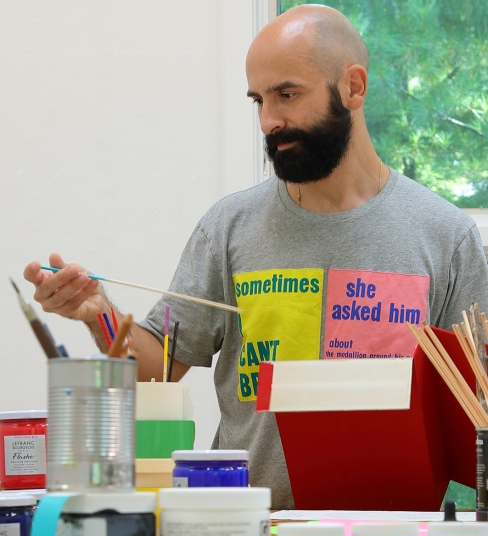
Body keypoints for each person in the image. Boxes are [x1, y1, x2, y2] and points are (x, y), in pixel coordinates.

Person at [24, 6, 488, 509]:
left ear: (354, 87)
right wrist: (100, 315)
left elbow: (476, 417)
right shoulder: (228, 228)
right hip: (245, 535)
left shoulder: (447, 236)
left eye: (287, 94)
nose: (269, 121)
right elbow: (156, 367)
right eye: (259, 100)